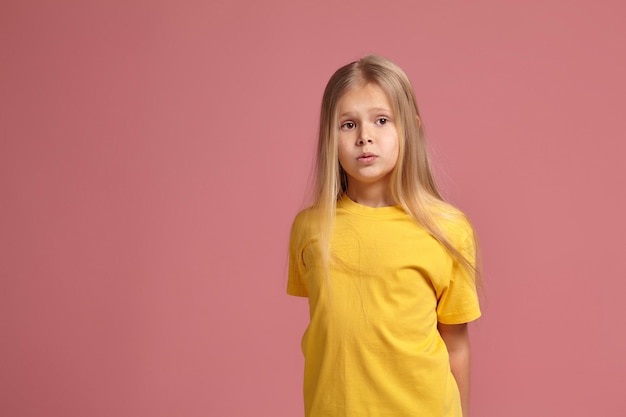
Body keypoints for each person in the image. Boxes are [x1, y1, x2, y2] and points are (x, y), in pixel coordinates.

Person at [287, 55, 481, 417]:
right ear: (329, 136)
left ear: (411, 128)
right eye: (348, 124)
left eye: (381, 120)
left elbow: (456, 346)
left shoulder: (447, 230)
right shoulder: (311, 229)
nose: (365, 137)